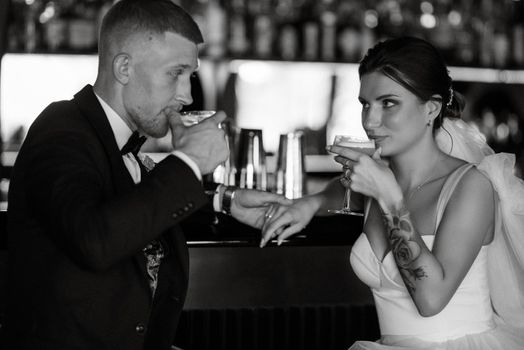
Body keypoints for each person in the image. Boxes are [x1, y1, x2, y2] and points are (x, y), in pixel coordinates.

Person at [6, 1, 290, 349]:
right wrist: (188, 161)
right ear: (124, 68)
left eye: (191, 76)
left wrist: (223, 200)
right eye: (176, 73)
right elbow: (94, 239)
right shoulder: (61, 130)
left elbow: (133, 209)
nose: (186, 94)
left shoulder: (120, 140)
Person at [260, 37, 524, 349]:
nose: (370, 122)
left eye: (388, 103)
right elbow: (345, 190)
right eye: (365, 104)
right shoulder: (381, 179)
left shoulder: (471, 186)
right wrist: (310, 203)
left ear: (431, 109)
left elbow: (431, 299)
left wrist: (389, 198)